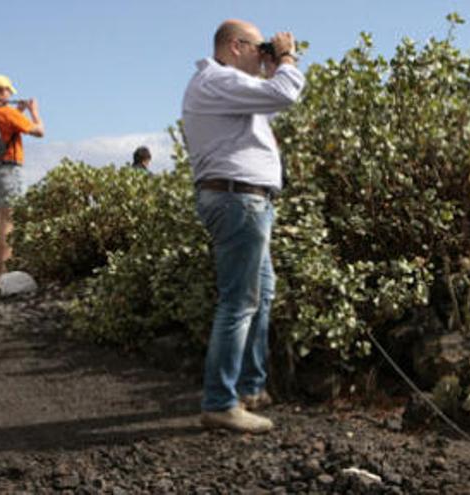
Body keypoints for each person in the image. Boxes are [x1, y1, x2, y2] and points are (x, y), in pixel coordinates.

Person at [181, 19, 304, 433]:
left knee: (261, 294)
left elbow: (271, 98)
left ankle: (250, 388)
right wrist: (286, 57)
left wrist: (269, 67)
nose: (263, 52)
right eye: (258, 47)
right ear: (235, 46)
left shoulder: (226, 87)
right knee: (239, 301)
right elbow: (285, 93)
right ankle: (220, 402)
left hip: (245, 200)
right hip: (238, 200)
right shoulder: (217, 80)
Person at [0, 75, 44, 291]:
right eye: (9, 92)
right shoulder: (7, 112)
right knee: (7, 224)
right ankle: (0, 279)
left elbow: (1, 133)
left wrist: (19, 113)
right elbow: (39, 131)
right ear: (3, 91)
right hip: (7, 170)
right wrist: (34, 112)